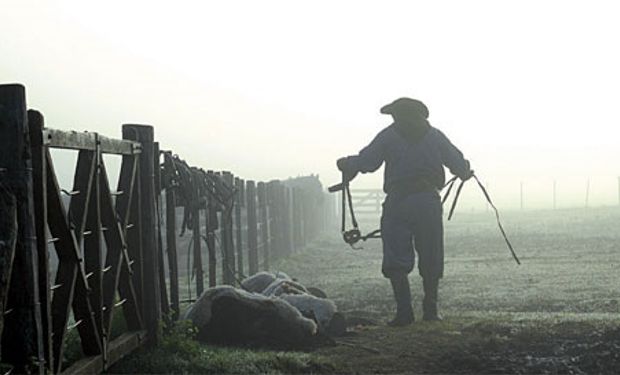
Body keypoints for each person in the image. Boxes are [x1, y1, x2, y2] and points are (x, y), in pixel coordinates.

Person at [336, 97, 472, 326]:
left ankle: (404, 312)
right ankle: (430, 310)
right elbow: (458, 163)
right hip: (428, 201)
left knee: (396, 256)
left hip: (398, 201)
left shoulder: (389, 136)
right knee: (431, 253)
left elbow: (368, 162)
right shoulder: (435, 136)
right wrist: (465, 170)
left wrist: (348, 163)